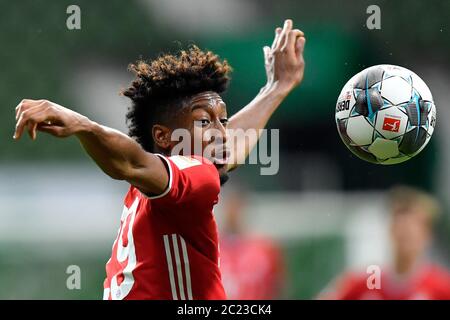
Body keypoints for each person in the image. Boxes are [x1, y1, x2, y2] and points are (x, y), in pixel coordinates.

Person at [13, 20, 305, 300]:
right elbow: (130, 162)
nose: (222, 133)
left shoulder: (175, 179)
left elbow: (229, 146)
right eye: (204, 122)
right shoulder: (193, 176)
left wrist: (276, 87)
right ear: (164, 136)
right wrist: (83, 125)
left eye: (223, 121)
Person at [320, 186, 450, 300]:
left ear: (427, 235)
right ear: (390, 230)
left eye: (411, 233)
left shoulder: (441, 287)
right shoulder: (368, 281)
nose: (405, 237)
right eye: (401, 230)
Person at [219, 187, 285, 299]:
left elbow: (278, 287)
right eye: (230, 207)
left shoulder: (266, 248)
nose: (233, 213)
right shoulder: (210, 248)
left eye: (237, 207)